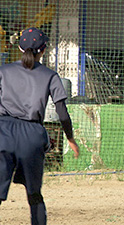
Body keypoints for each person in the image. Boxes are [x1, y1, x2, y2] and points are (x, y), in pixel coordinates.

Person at [0, 27, 80, 225]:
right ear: (43, 50)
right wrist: (70, 138)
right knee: (34, 194)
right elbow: (62, 112)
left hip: (3, 132)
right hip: (32, 134)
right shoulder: (50, 75)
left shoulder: (3, 71)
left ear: (19, 48)